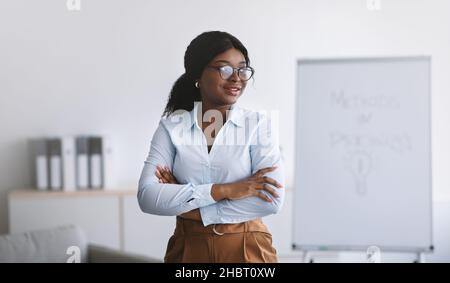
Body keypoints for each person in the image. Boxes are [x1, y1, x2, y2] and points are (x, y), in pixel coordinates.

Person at [138, 31, 285, 263]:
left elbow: (271, 200)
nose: (236, 78)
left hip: (248, 247)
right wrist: (225, 190)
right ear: (198, 74)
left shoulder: (258, 125)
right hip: (188, 250)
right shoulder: (171, 128)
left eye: (242, 69)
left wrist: (187, 205)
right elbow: (147, 196)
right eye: (224, 69)